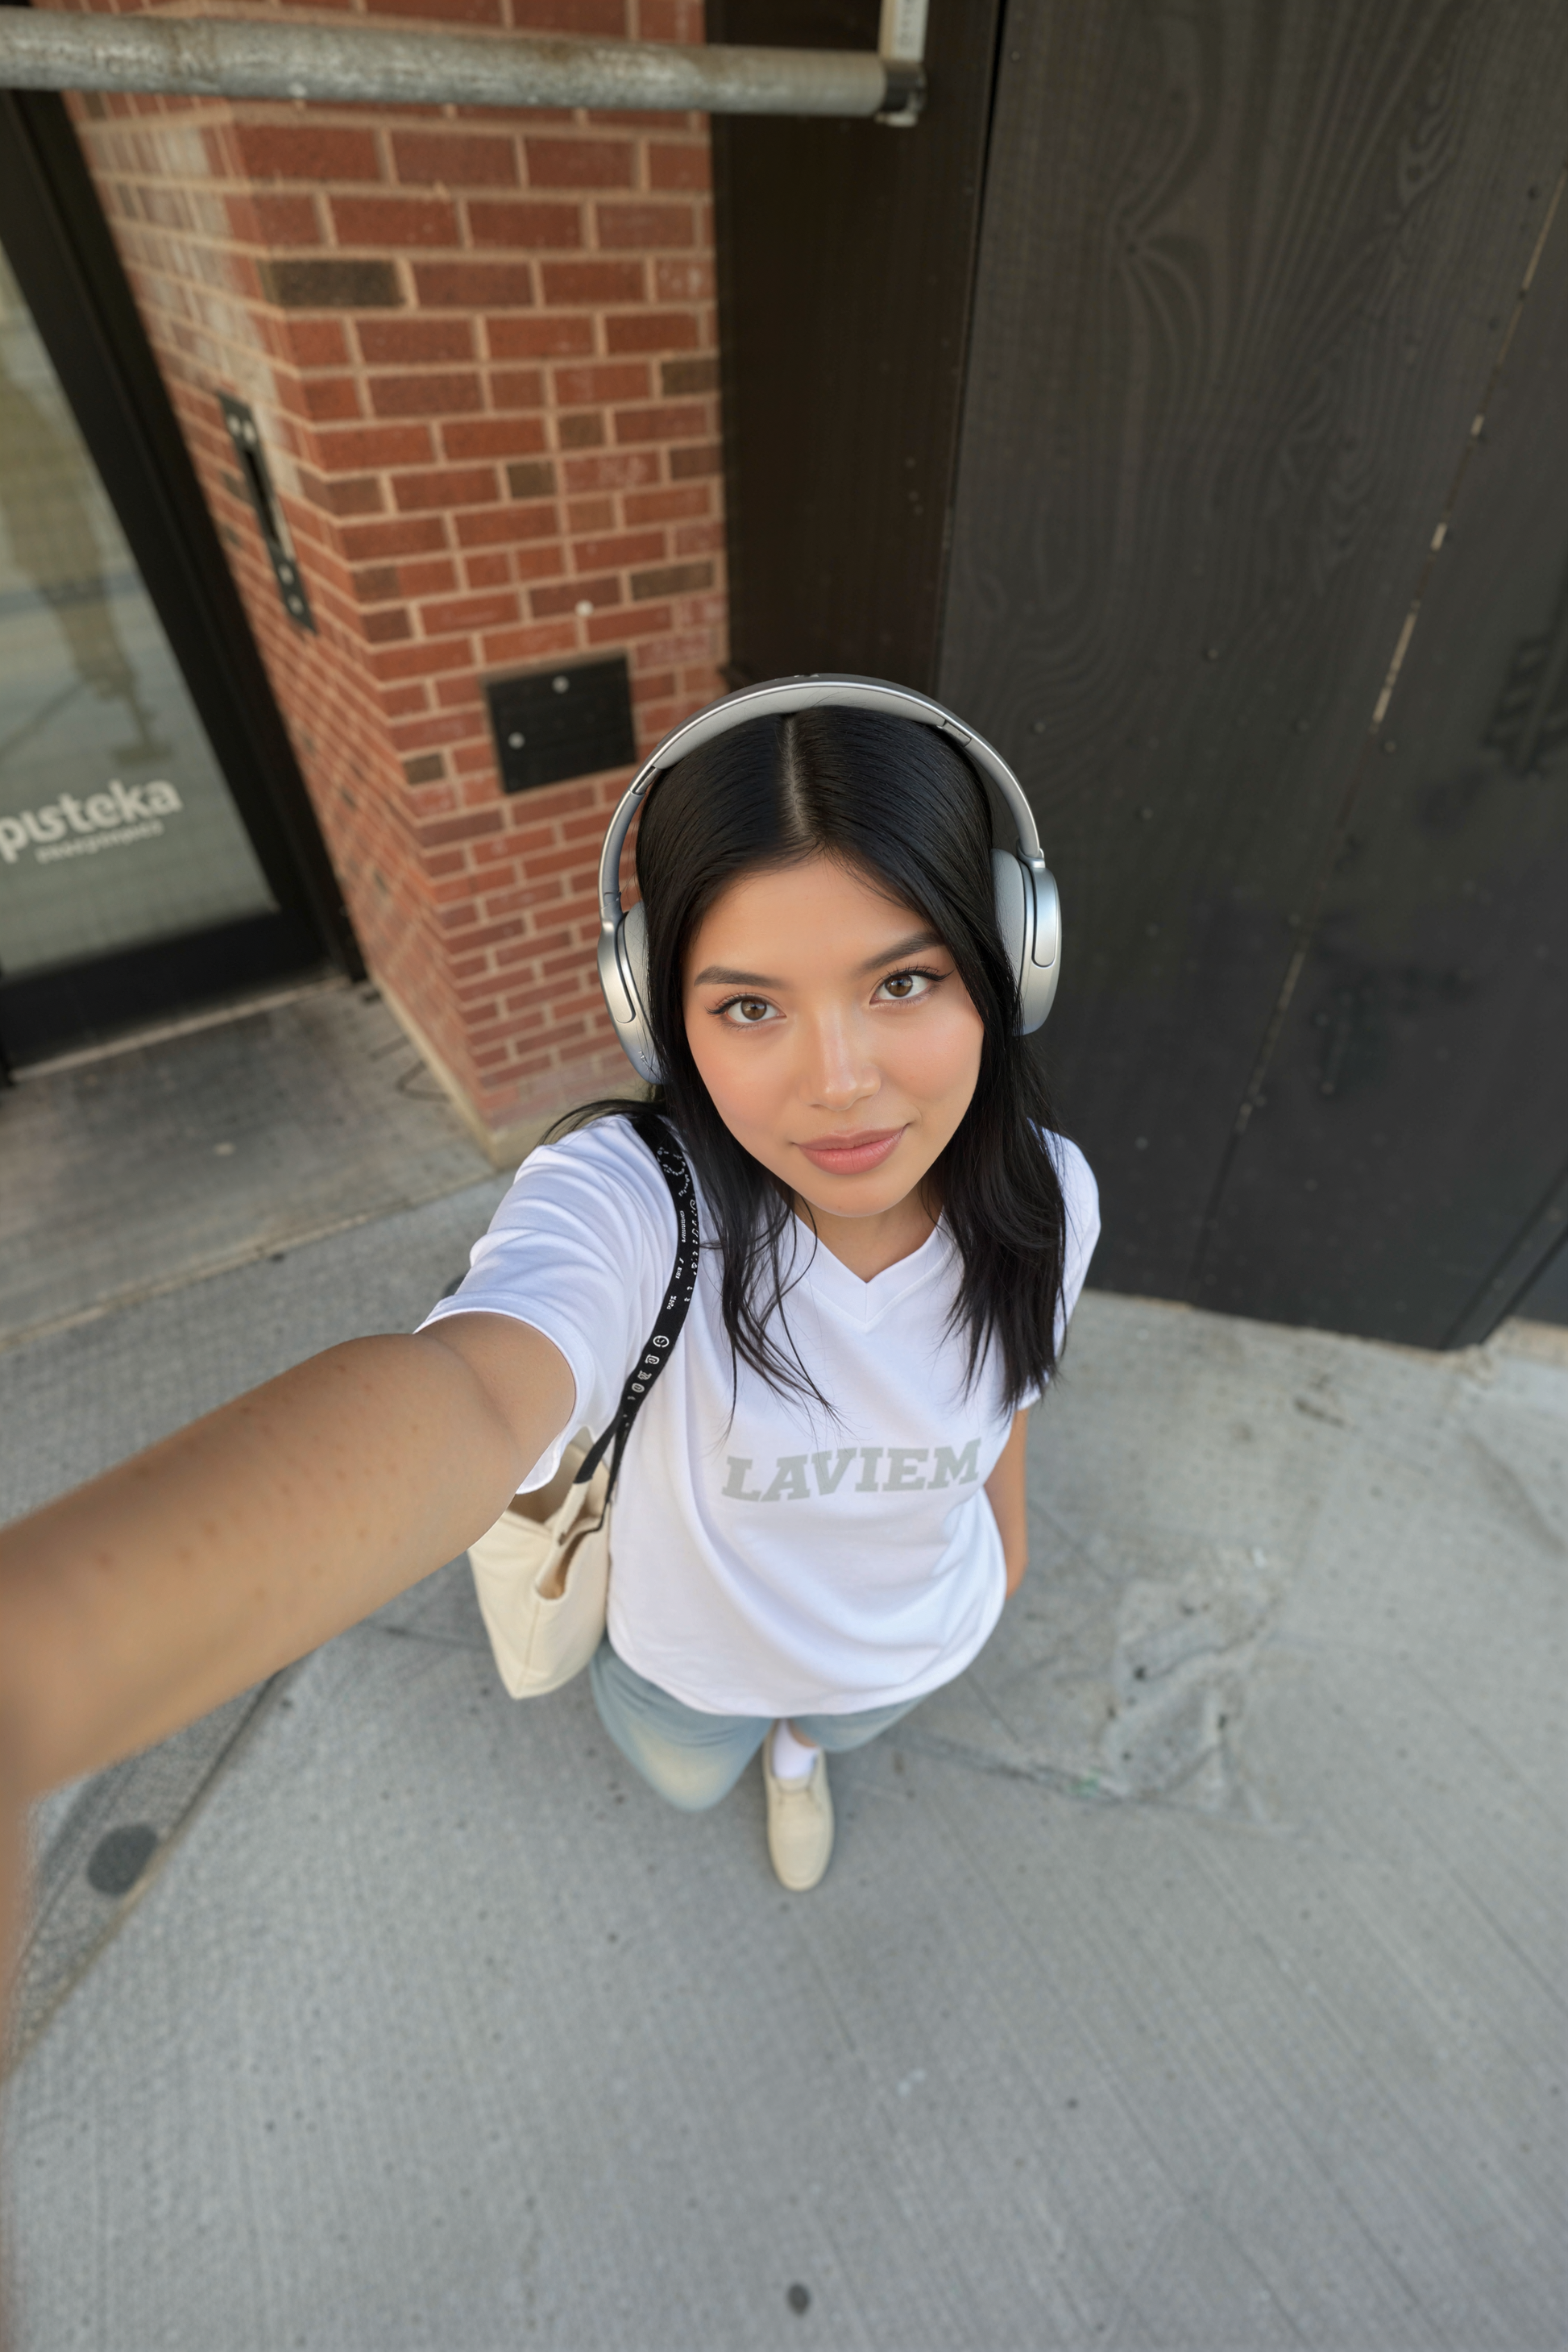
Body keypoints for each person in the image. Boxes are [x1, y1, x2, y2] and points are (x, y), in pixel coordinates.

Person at [0, 684, 1098, 1984]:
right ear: (658, 1017)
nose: (841, 1080)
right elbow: (469, 1393)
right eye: (750, 1006)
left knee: (830, 1727)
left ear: (1008, 962)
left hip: (912, 1641)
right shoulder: (635, 1205)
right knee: (687, 1779)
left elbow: (1004, 1388)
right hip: (690, 1670)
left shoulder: (1051, 1191)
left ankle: (802, 1750)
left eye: (903, 980)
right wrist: (40, 1677)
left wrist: (1005, 1551)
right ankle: (770, 1747)